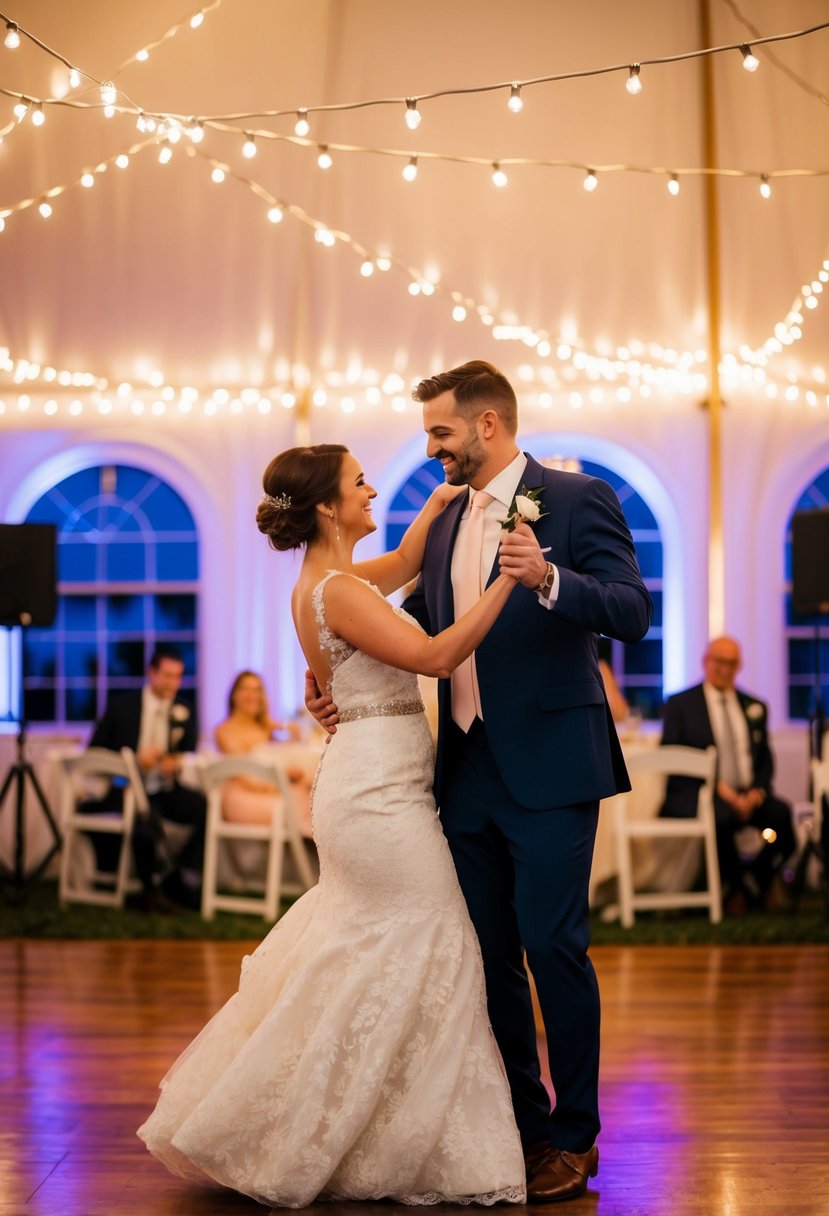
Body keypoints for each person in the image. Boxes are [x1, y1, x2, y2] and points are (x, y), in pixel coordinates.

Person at [138, 444, 527, 1207]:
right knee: (434, 937)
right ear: (326, 506)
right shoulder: (337, 591)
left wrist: (444, 498)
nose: (371, 487)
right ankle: (371, 1132)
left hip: (376, 781)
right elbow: (438, 654)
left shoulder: (336, 580)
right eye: (358, 482)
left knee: (373, 946)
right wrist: (506, 581)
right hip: (376, 797)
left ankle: (355, 1125)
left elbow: (410, 559)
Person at [308, 360, 652, 1202]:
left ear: (487, 426)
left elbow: (632, 612)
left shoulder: (575, 500)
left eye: (440, 434)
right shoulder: (449, 520)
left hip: (551, 767)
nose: (432, 451)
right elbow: (422, 624)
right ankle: (524, 1131)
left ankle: (575, 1137)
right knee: (488, 957)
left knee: (552, 948)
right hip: (459, 772)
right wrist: (338, 679)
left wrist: (551, 580)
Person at [659, 635, 796, 914]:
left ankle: (751, 881)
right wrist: (721, 790)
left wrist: (756, 793)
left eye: (731, 663)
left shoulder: (754, 705)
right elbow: (672, 756)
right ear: (706, 662)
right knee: (720, 819)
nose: (724, 668)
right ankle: (741, 892)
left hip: (749, 794)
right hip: (704, 794)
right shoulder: (681, 704)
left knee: (782, 819)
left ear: (739, 666)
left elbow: (764, 758)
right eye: (719, 661)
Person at [85, 645, 206, 912]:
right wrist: (136, 762)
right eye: (167, 676)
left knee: (203, 807)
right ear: (151, 673)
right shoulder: (121, 706)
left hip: (164, 789)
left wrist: (175, 763)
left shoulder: (184, 709)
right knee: (144, 818)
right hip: (125, 789)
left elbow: (189, 753)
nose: (173, 683)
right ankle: (150, 892)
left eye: (178, 677)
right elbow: (94, 753)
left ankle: (181, 874)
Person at [214, 670, 313, 837]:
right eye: (245, 689)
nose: (252, 695)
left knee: (313, 794)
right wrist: (284, 779)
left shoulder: (264, 729)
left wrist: (287, 729)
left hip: (269, 789)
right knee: (302, 806)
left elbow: (284, 755)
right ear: (234, 695)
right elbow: (245, 774)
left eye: (257, 690)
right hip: (242, 796)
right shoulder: (225, 731)